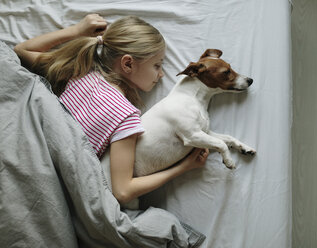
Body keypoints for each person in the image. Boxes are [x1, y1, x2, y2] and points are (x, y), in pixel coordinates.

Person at [14, 13, 209, 206]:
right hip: (48, 184)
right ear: (128, 63)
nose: (162, 74)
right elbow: (123, 192)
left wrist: (77, 31)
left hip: (23, 156)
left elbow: (21, 50)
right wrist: (184, 167)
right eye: (157, 65)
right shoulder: (125, 116)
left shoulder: (79, 70)